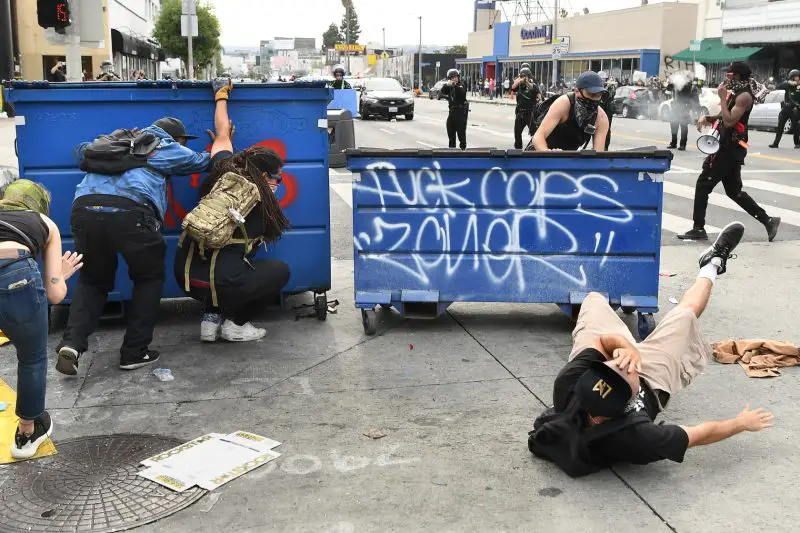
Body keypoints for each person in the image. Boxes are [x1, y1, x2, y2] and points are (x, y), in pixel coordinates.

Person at [541, 222, 774, 475]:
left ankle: (624, 318)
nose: (623, 365)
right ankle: (712, 263)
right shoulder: (638, 437)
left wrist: (621, 347)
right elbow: (699, 435)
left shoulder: (568, 386)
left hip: (609, 355)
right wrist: (739, 424)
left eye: (609, 368)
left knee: (593, 300)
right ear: (628, 403)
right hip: (653, 379)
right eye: (626, 372)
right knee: (685, 316)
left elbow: (601, 343)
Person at [56, 117, 216, 375]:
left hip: (84, 210)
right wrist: (221, 140)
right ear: (177, 139)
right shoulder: (164, 145)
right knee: (148, 278)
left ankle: (72, 344)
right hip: (132, 214)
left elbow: (80, 150)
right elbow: (206, 161)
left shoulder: (111, 142)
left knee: (93, 281)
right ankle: (134, 352)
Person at [175, 79, 291, 342]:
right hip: (221, 282)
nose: (277, 183)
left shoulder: (222, 168)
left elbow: (223, 132)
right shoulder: (265, 208)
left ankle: (209, 319)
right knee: (277, 270)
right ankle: (235, 325)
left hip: (183, 274)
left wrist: (221, 95)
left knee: (220, 253)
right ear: (263, 175)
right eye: (277, 178)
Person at [0, 181, 83, 458]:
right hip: (15, 275)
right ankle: (26, 433)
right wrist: (63, 272)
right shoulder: (44, 222)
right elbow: (55, 294)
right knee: (31, 357)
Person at [678, 62, 781, 242]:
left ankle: (698, 228)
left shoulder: (744, 97)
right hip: (730, 147)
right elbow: (724, 117)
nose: (726, 78)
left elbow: (730, 121)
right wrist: (708, 117)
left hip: (729, 149)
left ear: (738, 76)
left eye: (730, 75)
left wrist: (723, 98)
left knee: (703, 184)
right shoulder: (737, 94)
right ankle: (768, 221)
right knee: (734, 191)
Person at [532, 71, 610, 152]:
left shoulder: (601, 118)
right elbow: (538, 137)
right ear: (577, 91)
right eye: (591, 94)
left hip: (569, 159)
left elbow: (598, 155)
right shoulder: (563, 104)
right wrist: (549, 154)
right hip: (540, 153)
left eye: (599, 95)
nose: (595, 99)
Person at [666, 72, 699, 151]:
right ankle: (673, 143)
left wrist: (690, 107)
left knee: (683, 126)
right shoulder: (676, 83)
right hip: (675, 107)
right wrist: (672, 82)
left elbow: (694, 99)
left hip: (684, 108)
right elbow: (668, 88)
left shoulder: (690, 87)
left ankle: (683, 144)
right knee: (673, 125)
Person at [768, 69, 800, 149]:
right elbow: (779, 86)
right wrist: (787, 82)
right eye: (795, 77)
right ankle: (775, 143)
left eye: (798, 77)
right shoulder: (788, 85)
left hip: (795, 109)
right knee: (780, 127)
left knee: (796, 128)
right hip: (786, 108)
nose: (797, 78)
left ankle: (797, 143)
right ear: (791, 77)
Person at [440, 68, 469, 150]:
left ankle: (463, 152)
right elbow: (443, 91)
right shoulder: (449, 86)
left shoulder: (461, 84)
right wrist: (447, 85)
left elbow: (462, 93)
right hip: (452, 113)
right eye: (452, 77)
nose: (455, 79)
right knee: (450, 132)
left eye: (456, 77)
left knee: (461, 136)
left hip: (460, 113)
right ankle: (451, 152)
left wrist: (455, 86)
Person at [512, 67, 540, 149]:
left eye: (525, 76)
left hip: (530, 113)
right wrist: (518, 81)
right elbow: (513, 88)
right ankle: (518, 149)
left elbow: (533, 89)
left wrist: (527, 81)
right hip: (520, 113)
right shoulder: (519, 85)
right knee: (517, 132)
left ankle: (533, 148)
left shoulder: (533, 84)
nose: (523, 77)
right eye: (522, 76)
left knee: (534, 133)